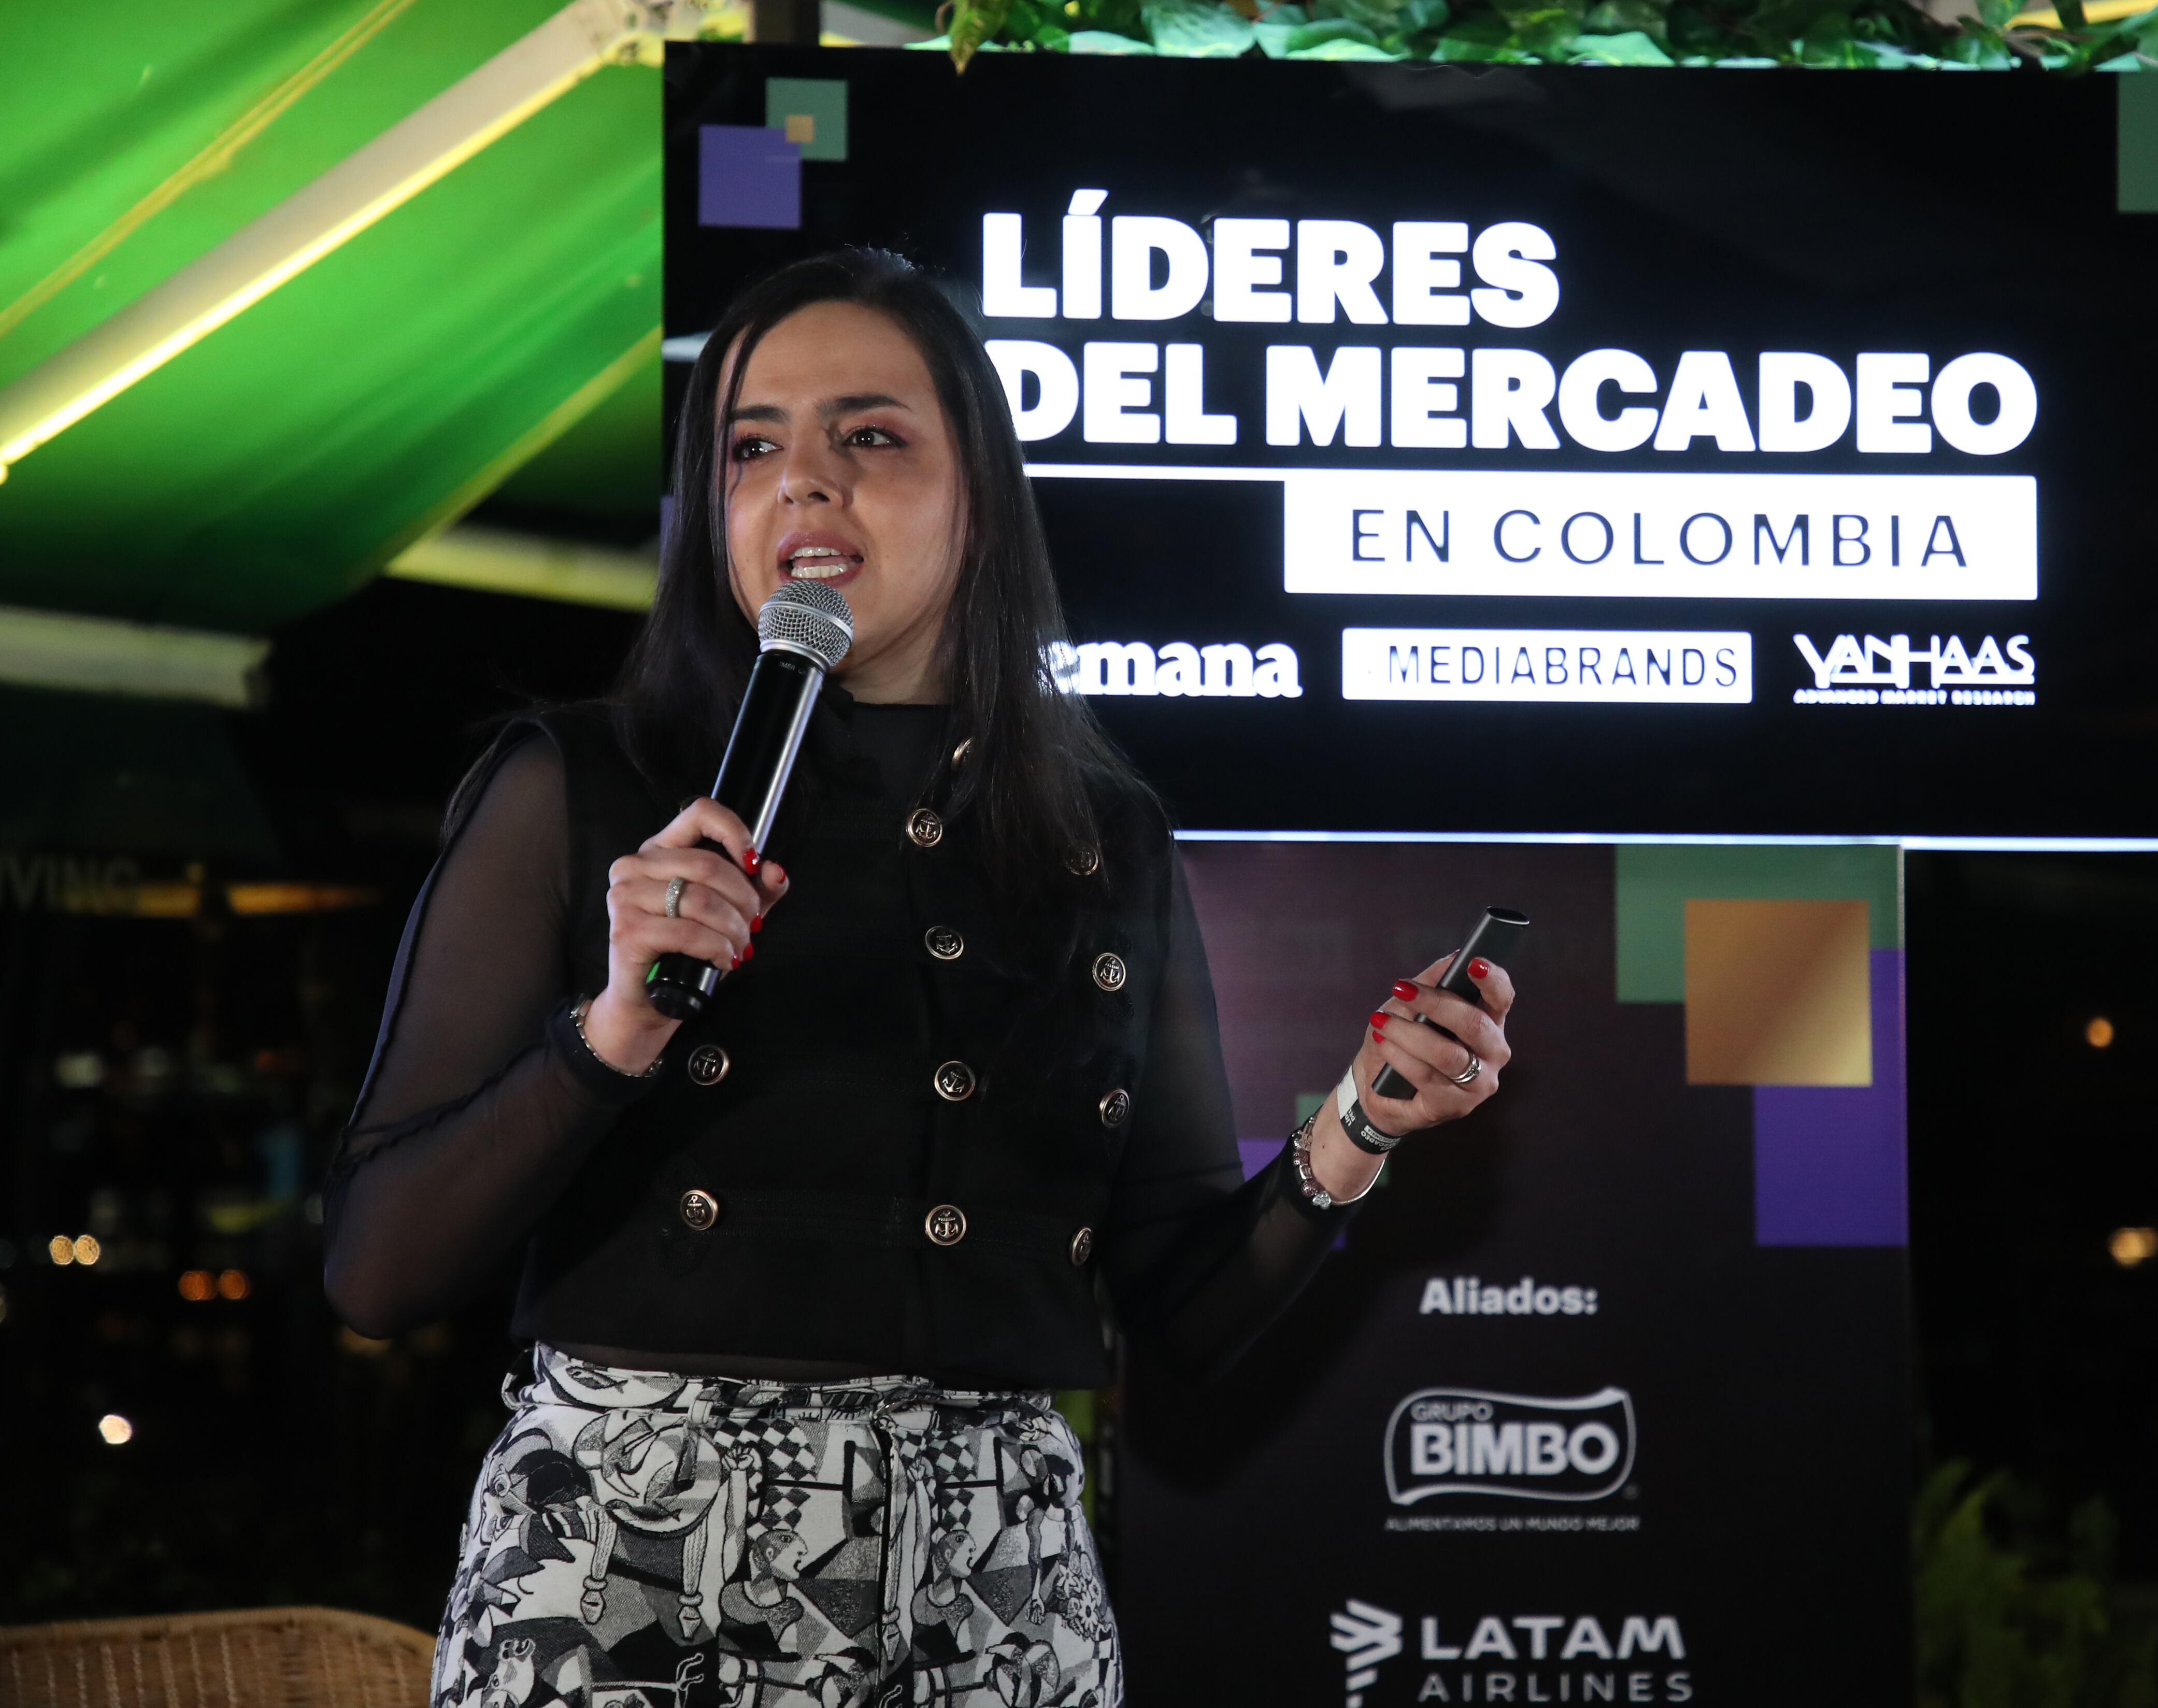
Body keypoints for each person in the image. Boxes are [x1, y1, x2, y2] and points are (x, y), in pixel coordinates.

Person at [321, 247, 1517, 1708]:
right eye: (752, 445)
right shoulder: (583, 782)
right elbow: (378, 1267)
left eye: (869, 437)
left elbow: (1183, 1310)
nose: (801, 484)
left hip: (999, 1584)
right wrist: (615, 1021)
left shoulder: (1100, 835)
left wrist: (1362, 1125)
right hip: (631, 1575)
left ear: (982, 499)